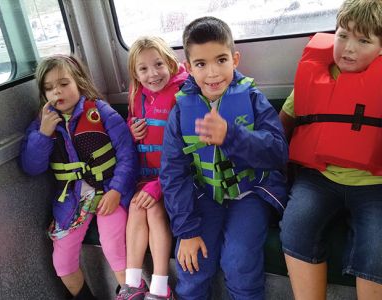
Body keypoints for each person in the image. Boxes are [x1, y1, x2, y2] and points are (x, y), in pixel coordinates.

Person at [159, 16, 288, 300]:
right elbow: (173, 174)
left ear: (235, 59)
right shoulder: (181, 112)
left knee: (239, 262)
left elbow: (278, 152)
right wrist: (187, 230)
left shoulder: (254, 99)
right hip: (205, 195)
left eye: (221, 60)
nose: (213, 72)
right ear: (188, 68)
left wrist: (231, 135)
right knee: (193, 264)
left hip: (250, 193)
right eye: (201, 64)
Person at [279, 0, 382, 299]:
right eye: (342, 35)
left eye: (363, 40)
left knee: (377, 245)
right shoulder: (314, 78)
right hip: (319, 178)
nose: (349, 47)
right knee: (296, 226)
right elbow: (281, 126)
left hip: (375, 184)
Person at [20, 54, 138, 300]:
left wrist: (116, 190)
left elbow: (127, 154)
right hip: (72, 200)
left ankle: (131, 293)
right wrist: (43, 134)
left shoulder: (101, 111)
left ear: (79, 82)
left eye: (64, 84)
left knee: (113, 243)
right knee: (62, 261)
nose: (57, 92)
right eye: (49, 88)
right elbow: (32, 167)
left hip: (109, 191)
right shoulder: (42, 124)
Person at [117, 36, 188, 300]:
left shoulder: (183, 94)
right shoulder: (137, 96)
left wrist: (159, 185)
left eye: (158, 64)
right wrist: (131, 133)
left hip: (173, 179)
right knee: (137, 205)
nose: (153, 74)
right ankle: (132, 284)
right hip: (145, 177)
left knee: (152, 208)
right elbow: (129, 132)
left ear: (170, 62)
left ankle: (160, 288)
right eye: (143, 69)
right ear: (135, 74)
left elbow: (187, 150)